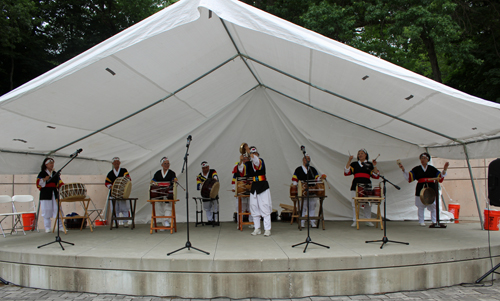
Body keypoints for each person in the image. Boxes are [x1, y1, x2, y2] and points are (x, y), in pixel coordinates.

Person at [398, 153, 449, 226]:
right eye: (421, 158)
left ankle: (434, 221)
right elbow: (410, 177)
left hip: (431, 188)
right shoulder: (417, 169)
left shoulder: (432, 168)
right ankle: (421, 221)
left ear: (428, 159)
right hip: (420, 187)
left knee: (433, 205)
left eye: (424, 158)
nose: (423, 160)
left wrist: (444, 169)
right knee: (420, 205)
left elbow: (440, 177)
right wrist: (403, 169)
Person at [238, 145, 273, 236]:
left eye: (255, 153)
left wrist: (248, 150)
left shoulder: (260, 161)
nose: (253, 155)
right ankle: (257, 228)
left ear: (257, 154)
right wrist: (241, 160)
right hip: (254, 187)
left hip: (263, 186)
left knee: (264, 207)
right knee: (254, 207)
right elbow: (241, 170)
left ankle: (267, 229)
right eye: (252, 153)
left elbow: (256, 162)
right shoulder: (249, 164)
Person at [344, 149, 379, 227]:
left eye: (362, 153)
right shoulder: (354, 164)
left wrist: (375, 165)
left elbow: (375, 175)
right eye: (359, 153)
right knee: (354, 203)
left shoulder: (370, 164)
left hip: (367, 185)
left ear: (366, 155)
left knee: (368, 203)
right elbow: (347, 172)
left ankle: (368, 220)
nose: (360, 155)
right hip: (356, 185)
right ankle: (355, 220)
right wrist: (349, 160)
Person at [292, 154, 327, 228]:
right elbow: (295, 179)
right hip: (303, 191)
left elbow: (317, 179)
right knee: (303, 206)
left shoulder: (313, 169)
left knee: (312, 206)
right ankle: (302, 222)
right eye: (305, 158)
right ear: (303, 160)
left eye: (308, 158)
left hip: (312, 189)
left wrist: (321, 178)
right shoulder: (298, 169)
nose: (306, 160)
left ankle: (312, 221)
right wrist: (295, 186)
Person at [36, 158, 64, 233]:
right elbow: (38, 183)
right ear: (46, 164)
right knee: (46, 210)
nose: (52, 164)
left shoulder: (55, 173)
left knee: (57, 209)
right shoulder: (42, 173)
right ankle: (47, 228)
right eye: (50, 163)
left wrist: (64, 187)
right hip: (45, 193)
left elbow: (60, 183)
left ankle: (61, 227)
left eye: (53, 163)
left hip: (54, 192)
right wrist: (44, 179)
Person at [150, 157, 178, 229]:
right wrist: (153, 182)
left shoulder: (171, 173)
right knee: (160, 208)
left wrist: (175, 180)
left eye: (168, 163)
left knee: (168, 207)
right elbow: (153, 180)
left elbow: (173, 179)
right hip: (159, 193)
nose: (167, 165)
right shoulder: (158, 173)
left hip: (168, 193)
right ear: (162, 165)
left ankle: (166, 221)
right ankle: (163, 223)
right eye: (165, 163)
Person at [105, 157, 132, 227]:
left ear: (119, 163)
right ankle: (115, 222)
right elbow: (107, 183)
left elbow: (128, 178)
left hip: (122, 193)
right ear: (113, 163)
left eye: (117, 162)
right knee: (114, 209)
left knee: (124, 208)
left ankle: (125, 222)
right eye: (115, 162)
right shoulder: (110, 173)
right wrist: (111, 187)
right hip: (113, 194)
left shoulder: (124, 170)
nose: (116, 163)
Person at [232, 155, 253, 228]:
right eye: (243, 159)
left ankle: (252, 223)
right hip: (241, 191)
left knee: (251, 207)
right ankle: (239, 223)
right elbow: (235, 177)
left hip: (250, 191)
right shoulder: (237, 165)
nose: (245, 160)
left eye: (246, 159)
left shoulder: (251, 165)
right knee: (240, 208)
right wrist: (234, 187)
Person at [196, 161, 219, 225]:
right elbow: (198, 187)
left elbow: (215, 178)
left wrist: (208, 182)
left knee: (214, 206)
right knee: (206, 207)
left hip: (213, 193)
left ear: (208, 167)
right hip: (205, 193)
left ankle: (214, 220)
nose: (205, 169)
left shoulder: (213, 171)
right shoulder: (199, 176)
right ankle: (209, 220)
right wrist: (201, 185)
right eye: (203, 168)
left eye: (206, 167)